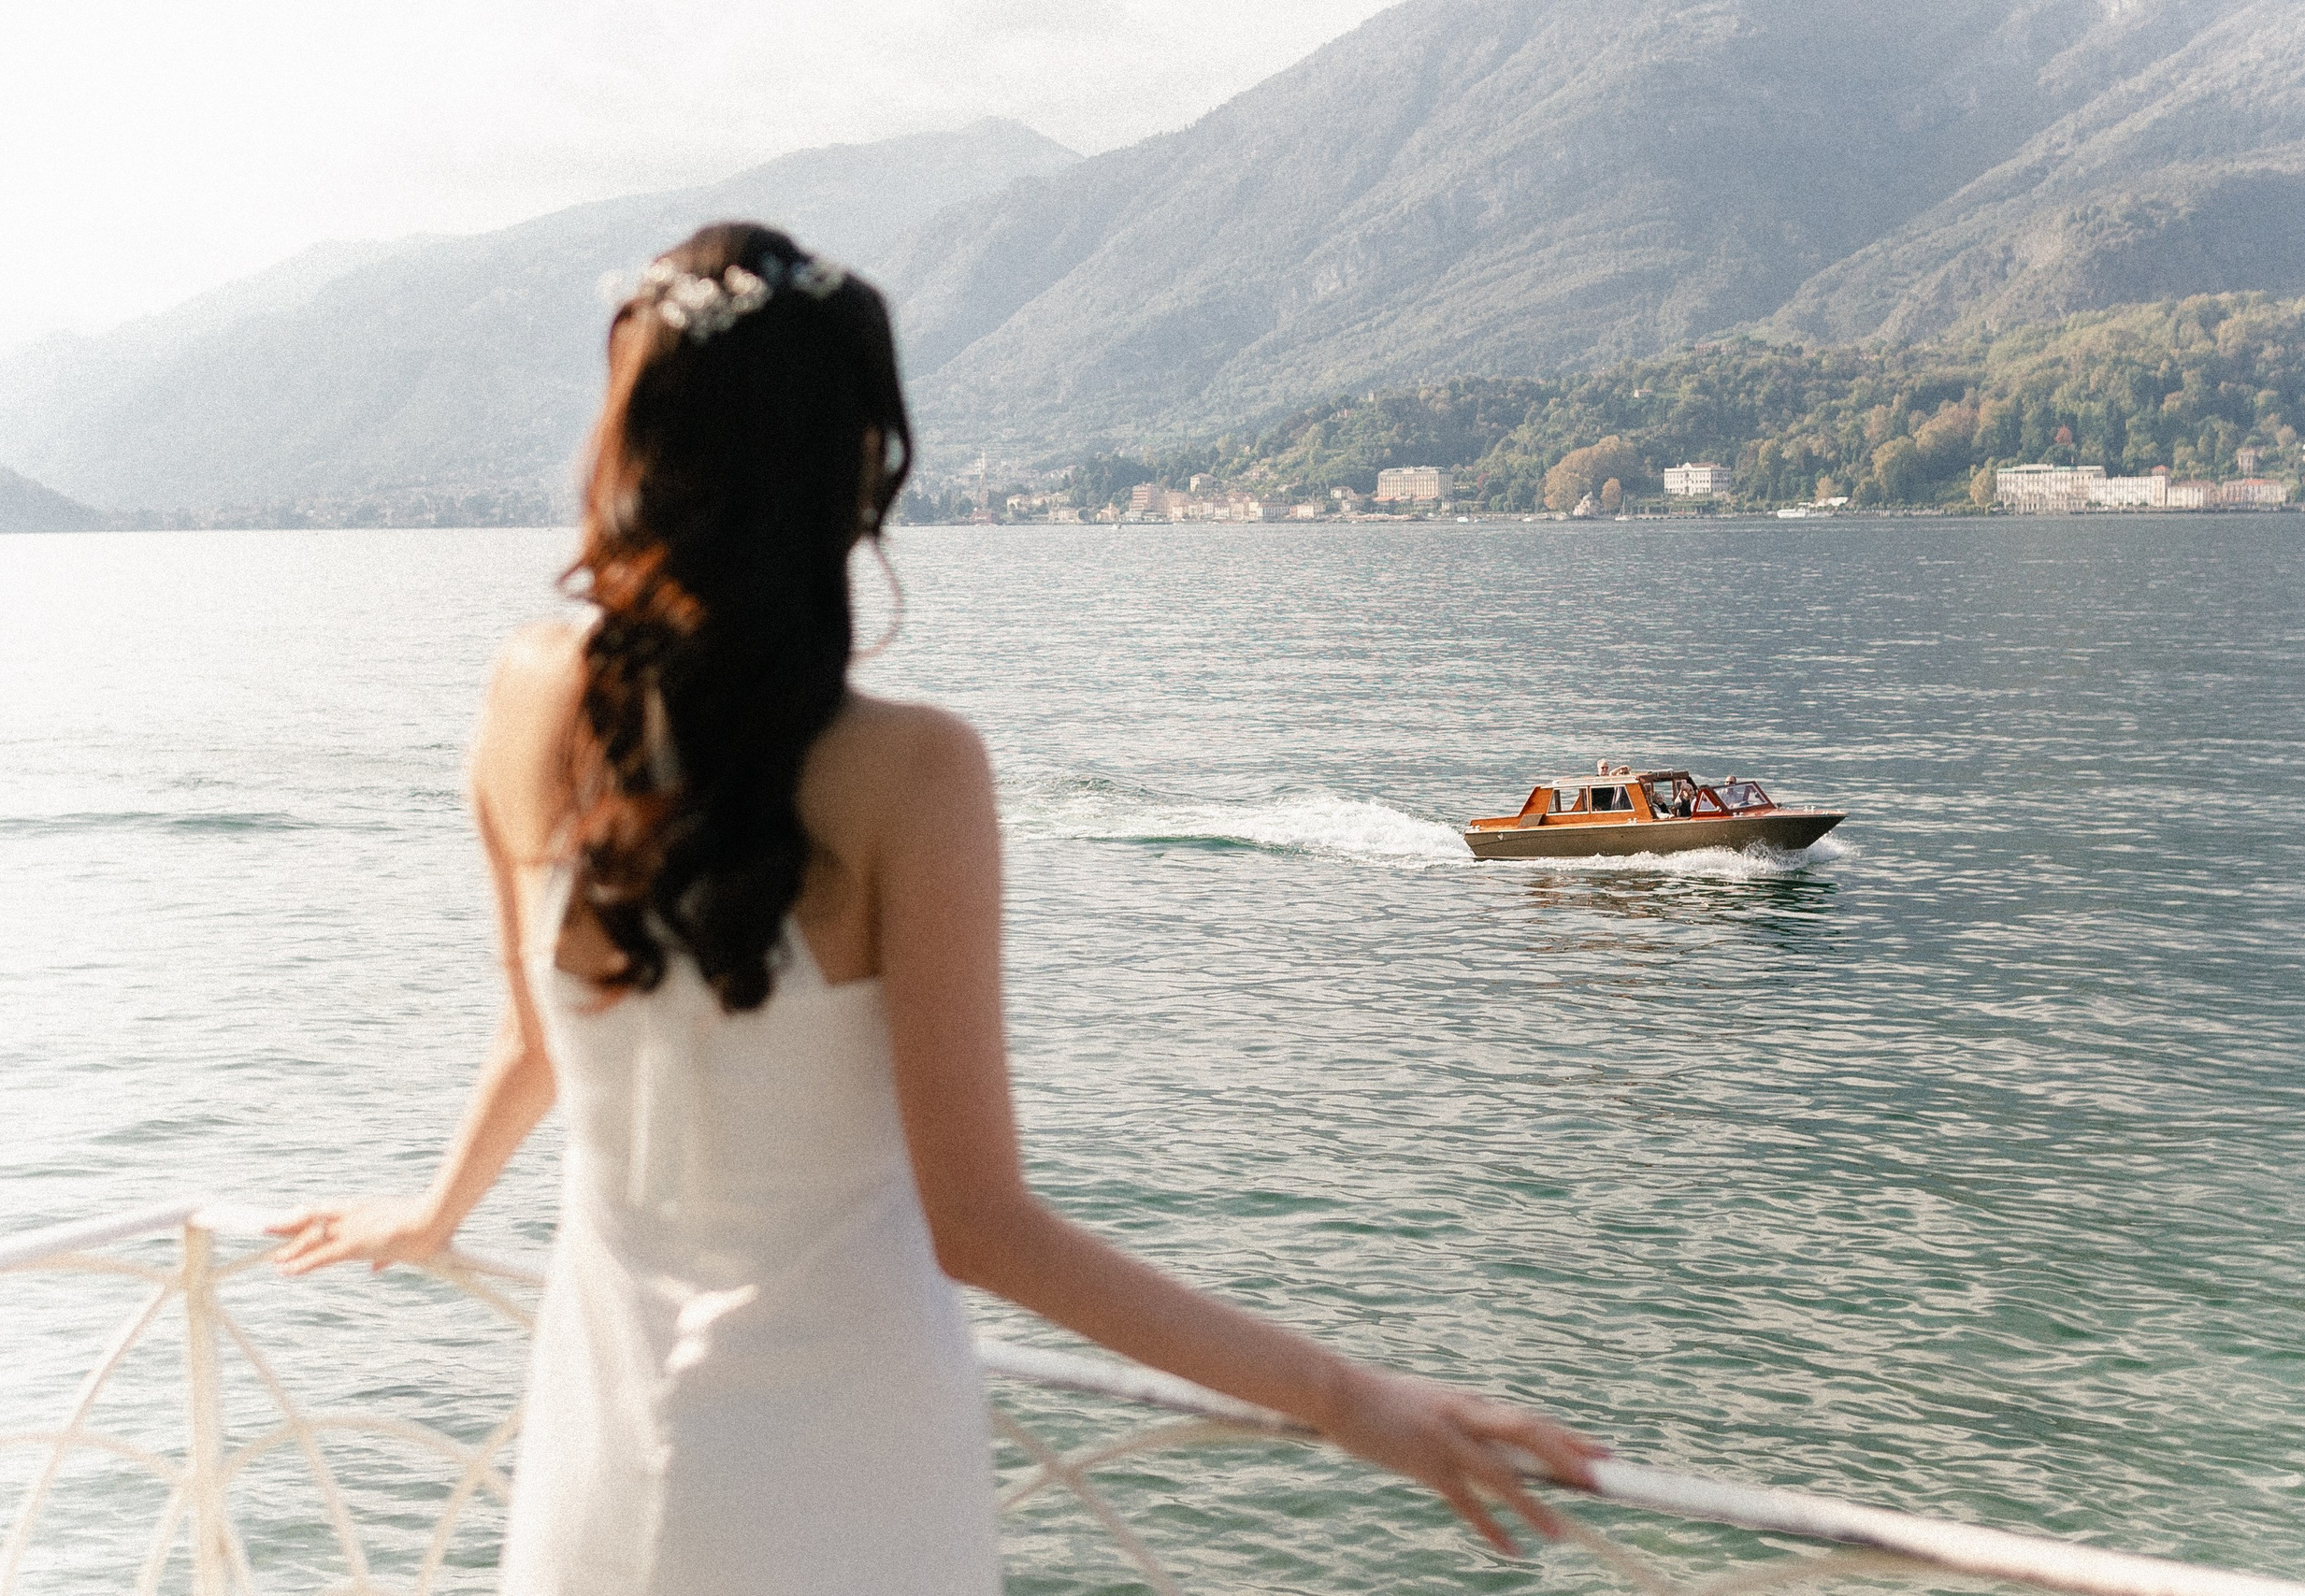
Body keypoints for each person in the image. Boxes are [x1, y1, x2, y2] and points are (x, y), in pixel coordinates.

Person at [270, 222, 1601, 1594]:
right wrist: (1342, 1396)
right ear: (857, 470)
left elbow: (540, 1045)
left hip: (596, 1452)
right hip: (844, 1472)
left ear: (630, 447)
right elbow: (982, 1226)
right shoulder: (911, 775)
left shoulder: (523, 700)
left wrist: (434, 1212)